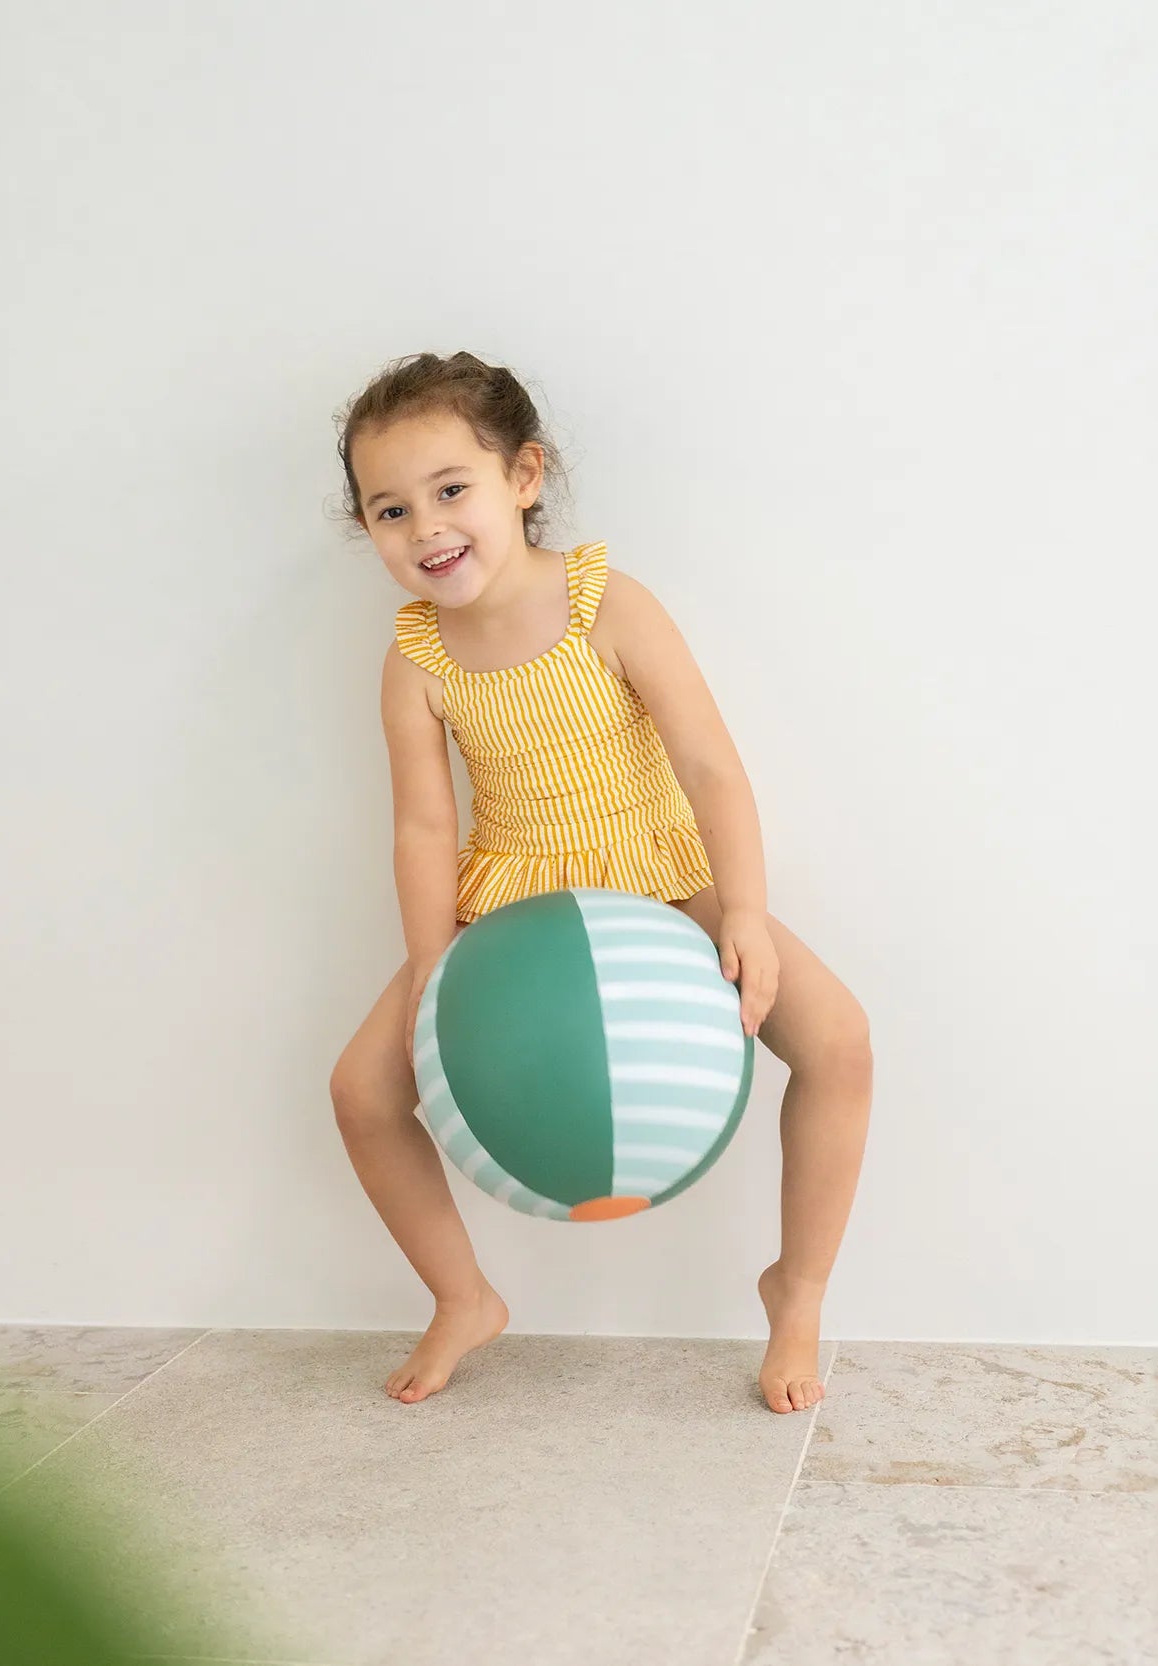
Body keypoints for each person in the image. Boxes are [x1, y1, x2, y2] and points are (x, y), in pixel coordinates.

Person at [328, 351, 874, 1414]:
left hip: (661, 877)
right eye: (391, 510)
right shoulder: (415, 659)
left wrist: (746, 912)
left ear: (523, 476)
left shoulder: (606, 603)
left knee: (839, 1040)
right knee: (360, 1092)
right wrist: (434, 965)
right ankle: (462, 1296)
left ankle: (798, 1290)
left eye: (451, 490)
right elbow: (424, 824)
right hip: (508, 907)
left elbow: (710, 765)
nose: (426, 528)